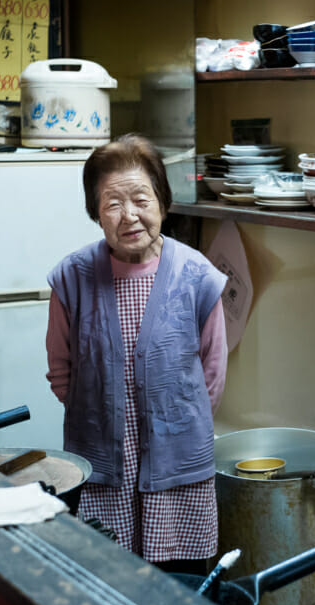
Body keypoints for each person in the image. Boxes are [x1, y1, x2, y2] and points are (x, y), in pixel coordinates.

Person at [45, 134, 228, 572]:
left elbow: (212, 375)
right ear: (95, 213)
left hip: (178, 468)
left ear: (162, 201)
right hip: (103, 467)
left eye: (141, 200)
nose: (129, 216)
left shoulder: (197, 276)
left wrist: (174, 425)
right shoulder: (72, 277)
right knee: (108, 584)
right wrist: (100, 417)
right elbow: (60, 370)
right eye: (112, 204)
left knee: (180, 591)